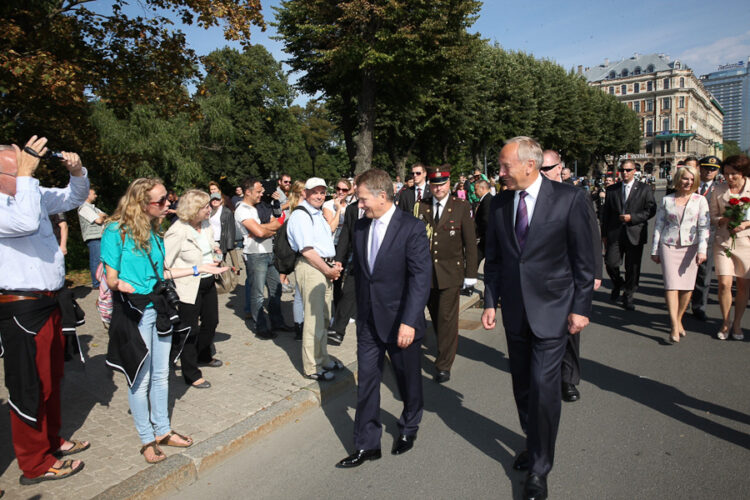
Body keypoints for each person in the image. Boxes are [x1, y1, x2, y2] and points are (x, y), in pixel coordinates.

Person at [481, 137, 594, 500]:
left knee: (545, 390)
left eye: (504, 166)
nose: (499, 173)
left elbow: (583, 261)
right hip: (515, 312)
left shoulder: (568, 199)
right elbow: (495, 260)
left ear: (529, 165)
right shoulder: (499, 204)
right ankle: (533, 441)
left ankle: (540, 469)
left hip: (553, 312)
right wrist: (488, 302)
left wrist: (580, 308)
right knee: (523, 388)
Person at [102, 178, 226, 463]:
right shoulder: (115, 231)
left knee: (161, 373)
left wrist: (198, 268)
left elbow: (163, 275)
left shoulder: (156, 234)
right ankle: (146, 439)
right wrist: (120, 284)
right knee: (141, 378)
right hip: (135, 310)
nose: (168, 204)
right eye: (161, 201)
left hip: (158, 308)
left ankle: (163, 430)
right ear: (142, 203)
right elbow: (110, 276)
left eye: (166, 200)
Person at [0, 137, 90, 484]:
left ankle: (52, 442)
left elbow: (73, 197)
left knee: (52, 380)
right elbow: (22, 223)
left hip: (51, 300)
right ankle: (34, 463)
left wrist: (77, 171)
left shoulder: (30, 192)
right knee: (29, 386)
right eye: (21, 167)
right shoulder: (13, 202)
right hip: (21, 308)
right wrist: (25, 176)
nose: (32, 173)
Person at [337, 169, 431, 468]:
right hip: (368, 321)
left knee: (408, 381)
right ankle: (367, 444)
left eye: (362, 199)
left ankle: (409, 426)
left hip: (400, 321)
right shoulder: (361, 228)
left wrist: (409, 320)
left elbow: (420, 278)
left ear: (381, 195)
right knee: (366, 381)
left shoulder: (411, 228)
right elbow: (364, 276)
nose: (359, 205)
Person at [541, 150, 603, 403]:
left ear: (560, 168)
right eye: (540, 170)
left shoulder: (576, 196)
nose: (544, 174)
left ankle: (568, 379)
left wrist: (596, 272)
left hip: (569, 277)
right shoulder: (533, 198)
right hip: (541, 279)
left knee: (569, 329)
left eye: (548, 169)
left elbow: (591, 235)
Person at [417, 165, 477, 383]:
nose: (438, 188)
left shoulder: (461, 206)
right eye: (434, 184)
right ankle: (442, 347)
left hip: (451, 273)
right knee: (435, 316)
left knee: (447, 318)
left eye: (442, 183)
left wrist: (471, 274)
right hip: (426, 274)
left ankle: (444, 363)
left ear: (449, 183)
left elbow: (470, 243)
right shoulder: (420, 207)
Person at [164, 190, 224, 389]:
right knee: (190, 329)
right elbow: (164, 267)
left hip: (208, 281)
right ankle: (191, 373)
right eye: (206, 207)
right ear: (193, 209)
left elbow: (209, 244)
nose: (210, 209)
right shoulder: (178, 231)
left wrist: (216, 252)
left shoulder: (205, 225)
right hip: (187, 287)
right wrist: (195, 269)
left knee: (212, 321)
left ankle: (203, 355)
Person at [287, 178, 343, 380]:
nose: (319, 196)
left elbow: (323, 243)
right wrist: (327, 270)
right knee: (313, 319)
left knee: (324, 316)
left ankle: (323, 358)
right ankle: (312, 367)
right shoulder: (301, 216)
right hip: (311, 268)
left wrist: (333, 264)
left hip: (323, 266)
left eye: (322, 192)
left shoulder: (317, 214)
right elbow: (308, 251)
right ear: (305, 193)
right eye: (315, 192)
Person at [650, 165, 709, 343]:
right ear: (678, 180)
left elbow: (704, 227)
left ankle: (679, 318)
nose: (688, 182)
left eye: (692, 180)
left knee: (687, 288)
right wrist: (655, 249)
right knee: (671, 285)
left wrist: (702, 250)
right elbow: (658, 226)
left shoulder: (700, 200)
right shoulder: (667, 200)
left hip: (690, 247)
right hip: (669, 245)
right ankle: (674, 326)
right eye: (685, 179)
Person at [234, 178, 288, 339]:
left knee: (275, 289)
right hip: (255, 254)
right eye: (258, 192)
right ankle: (261, 326)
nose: (261, 194)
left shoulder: (261, 207)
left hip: (269, 251)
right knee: (257, 293)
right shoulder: (242, 209)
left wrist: (261, 229)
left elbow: (277, 224)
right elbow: (259, 233)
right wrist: (262, 230)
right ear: (248, 192)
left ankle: (277, 322)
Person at [601, 160, 656, 311]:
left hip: (635, 233)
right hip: (615, 233)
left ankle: (628, 294)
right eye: (622, 170)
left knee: (632, 267)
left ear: (634, 171)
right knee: (611, 263)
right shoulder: (612, 190)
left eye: (628, 170)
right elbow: (606, 214)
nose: (625, 173)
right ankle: (618, 283)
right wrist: (604, 234)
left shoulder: (644, 189)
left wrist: (633, 218)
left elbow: (651, 210)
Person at [709, 154, 750, 340]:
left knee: (743, 285)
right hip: (723, 241)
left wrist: (746, 224)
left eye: (733, 174)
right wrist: (723, 220)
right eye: (726, 174)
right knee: (725, 284)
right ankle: (725, 321)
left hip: (746, 242)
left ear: (742, 172)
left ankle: (738, 323)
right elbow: (712, 216)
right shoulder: (718, 189)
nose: (729, 178)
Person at [330, 184, 362, 345]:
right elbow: (345, 235)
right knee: (348, 292)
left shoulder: (380, 209)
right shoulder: (352, 209)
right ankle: (337, 330)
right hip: (356, 260)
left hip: (378, 262)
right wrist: (339, 259)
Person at [691, 156, 721, 321]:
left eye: (713, 169)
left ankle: (699, 306)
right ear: (700, 168)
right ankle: (683, 299)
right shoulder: (690, 184)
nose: (709, 171)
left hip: (708, 236)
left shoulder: (720, 189)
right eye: (706, 168)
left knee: (704, 273)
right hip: (687, 236)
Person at [285, 180, 307, 340]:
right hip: (302, 255)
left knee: (300, 294)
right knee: (301, 294)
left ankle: (299, 325)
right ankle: (300, 325)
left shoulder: (294, 210)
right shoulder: (299, 211)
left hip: (299, 255)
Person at [78, 188, 107, 288]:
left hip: (99, 236)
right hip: (93, 237)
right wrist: (100, 216)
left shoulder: (93, 207)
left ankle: (101, 281)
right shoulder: (84, 208)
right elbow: (99, 220)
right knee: (96, 260)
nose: (96, 196)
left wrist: (101, 216)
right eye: (94, 194)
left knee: (101, 260)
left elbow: (106, 216)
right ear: (87, 195)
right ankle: (97, 283)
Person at [473, 179, 493, 266]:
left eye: (476, 189)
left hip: (487, 237)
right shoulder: (485, 200)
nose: (474, 192)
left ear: (483, 188)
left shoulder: (487, 200)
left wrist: (478, 233)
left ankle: (470, 277)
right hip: (486, 237)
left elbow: (486, 220)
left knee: (476, 258)